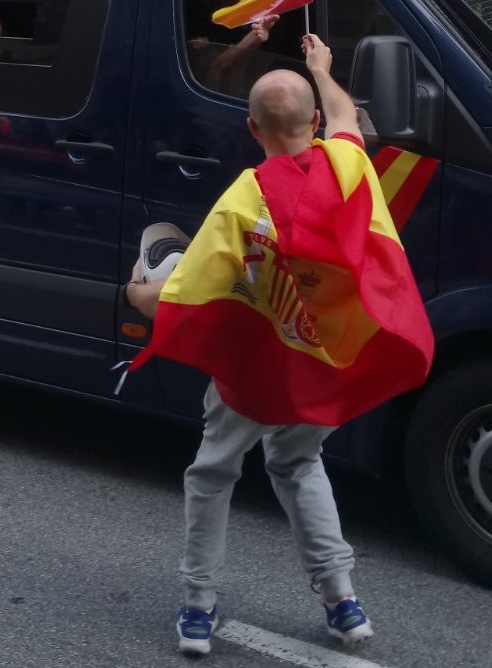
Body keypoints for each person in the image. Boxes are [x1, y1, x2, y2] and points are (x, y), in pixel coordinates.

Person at [124, 33, 377, 655]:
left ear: (251, 128)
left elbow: (181, 291)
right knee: (298, 464)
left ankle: (197, 605)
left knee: (213, 472)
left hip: (256, 366)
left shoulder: (245, 199)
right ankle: (341, 599)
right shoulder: (348, 164)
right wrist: (321, 69)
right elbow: (345, 117)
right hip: (322, 360)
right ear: (312, 122)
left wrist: (136, 292)